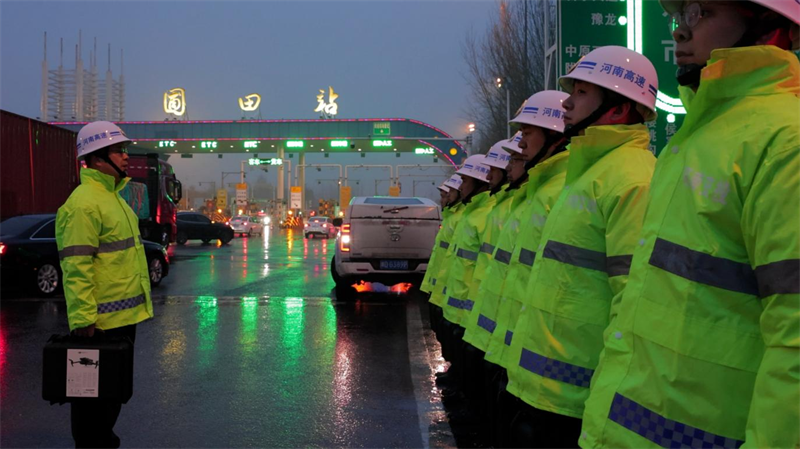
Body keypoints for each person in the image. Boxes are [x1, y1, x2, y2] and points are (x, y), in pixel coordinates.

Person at [579, 2, 800, 448]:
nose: (680, 31)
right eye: (679, 16)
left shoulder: (785, 141)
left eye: (702, 12)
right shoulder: (695, 140)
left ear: (770, 27)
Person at [504, 45, 659, 448]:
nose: (567, 103)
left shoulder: (632, 180)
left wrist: (609, 390)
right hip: (548, 387)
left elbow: (632, 304)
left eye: (582, 92)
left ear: (618, 109)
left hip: (581, 395)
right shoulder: (589, 175)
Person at [56, 121, 154, 449]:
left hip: (121, 322)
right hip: (97, 327)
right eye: (119, 150)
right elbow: (76, 266)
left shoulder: (113, 198)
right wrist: (84, 319)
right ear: (97, 158)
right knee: (92, 410)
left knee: (111, 399)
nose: (126, 156)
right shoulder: (83, 204)